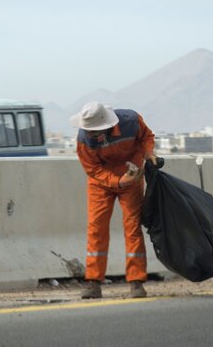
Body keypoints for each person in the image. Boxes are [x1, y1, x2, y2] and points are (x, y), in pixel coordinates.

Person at [70, 101, 157, 299]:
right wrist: (118, 181)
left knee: (133, 228)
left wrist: (149, 153)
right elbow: (93, 170)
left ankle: (136, 282)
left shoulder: (131, 122)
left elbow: (146, 137)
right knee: (96, 229)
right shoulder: (84, 139)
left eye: (94, 131)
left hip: (132, 178)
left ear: (108, 125)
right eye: (89, 131)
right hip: (100, 183)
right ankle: (93, 282)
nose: (91, 135)